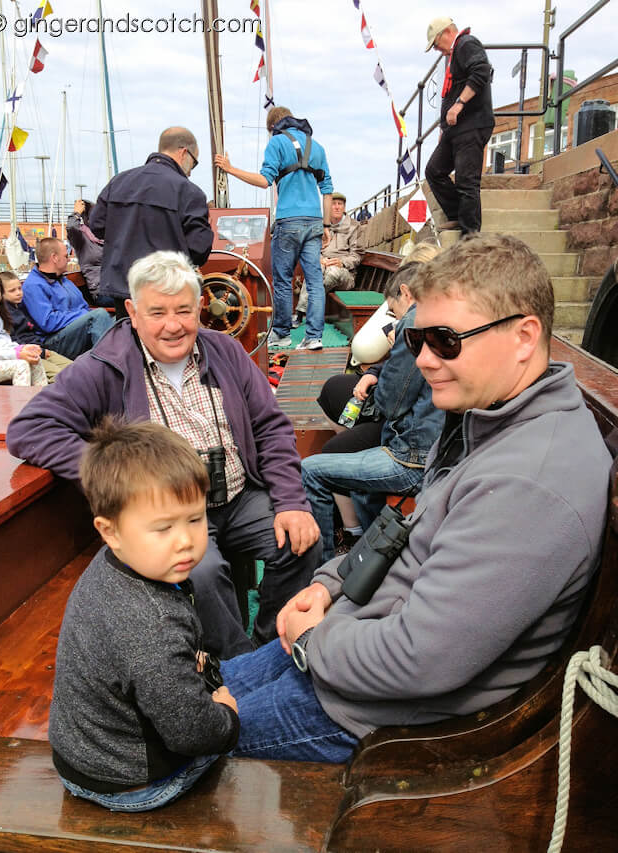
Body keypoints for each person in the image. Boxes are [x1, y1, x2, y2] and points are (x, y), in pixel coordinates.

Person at [213, 232, 612, 763]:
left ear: (524, 336)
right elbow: (404, 531)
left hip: (372, 712)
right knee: (189, 695)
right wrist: (331, 585)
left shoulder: (529, 483)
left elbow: (421, 659)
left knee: (167, 742)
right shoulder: (488, 419)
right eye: (416, 339)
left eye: (445, 340)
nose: (423, 359)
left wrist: (314, 641)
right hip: (353, 646)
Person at [6, 250, 322, 660]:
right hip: (170, 514)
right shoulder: (104, 365)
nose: (173, 326)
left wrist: (291, 503)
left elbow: (270, 426)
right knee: (201, 572)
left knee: (302, 541)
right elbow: (29, 430)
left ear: (201, 307)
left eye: (183, 311)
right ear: (133, 313)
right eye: (157, 313)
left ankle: (269, 646)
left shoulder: (224, 351)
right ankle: (236, 663)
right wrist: (116, 469)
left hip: (240, 496)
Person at [50, 418, 239, 812]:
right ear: (110, 530)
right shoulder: (150, 622)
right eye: (163, 528)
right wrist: (228, 719)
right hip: (133, 781)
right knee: (267, 712)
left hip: (88, 752)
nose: (185, 540)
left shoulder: (116, 563)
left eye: (195, 519)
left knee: (263, 671)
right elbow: (192, 733)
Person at [301, 246, 443, 561]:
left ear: (406, 293)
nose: (394, 317)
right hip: (429, 449)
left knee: (311, 469)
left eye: (393, 310)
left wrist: (395, 351)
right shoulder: (443, 316)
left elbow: (391, 404)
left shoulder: (413, 324)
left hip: (411, 459)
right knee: (361, 486)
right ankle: (370, 554)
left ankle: (324, 566)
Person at [215, 106, 333, 351]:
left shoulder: (277, 142)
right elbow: (327, 189)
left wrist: (230, 169)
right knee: (315, 282)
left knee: (282, 281)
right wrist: (327, 225)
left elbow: (264, 180)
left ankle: (281, 334)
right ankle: (314, 337)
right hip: (314, 221)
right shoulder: (317, 147)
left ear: (272, 127)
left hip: (289, 221)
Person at [90, 126, 214, 317]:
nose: (190, 172)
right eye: (194, 163)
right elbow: (199, 251)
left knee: (127, 333)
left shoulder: (118, 182)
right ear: (183, 153)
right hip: (167, 289)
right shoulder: (189, 192)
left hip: (123, 287)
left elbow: (97, 226)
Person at [424, 17, 494, 235]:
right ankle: (456, 215)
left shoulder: (466, 44)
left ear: (446, 32)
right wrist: (444, 127)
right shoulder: (454, 55)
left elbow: (482, 71)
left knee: (466, 181)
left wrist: (459, 104)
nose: (437, 50)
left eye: (436, 44)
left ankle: (470, 236)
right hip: (454, 129)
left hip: (472, 124)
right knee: (434, 171)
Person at [22, 238, 114, 360]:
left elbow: (84, 307)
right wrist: (83, 314)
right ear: (54, 258)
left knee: (118, 320)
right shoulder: (33, 286)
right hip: (52, 342)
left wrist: (85, 314)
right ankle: (109, 365)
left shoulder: (63, 280)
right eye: (66, 256)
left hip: (73, 333)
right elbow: (48, 322)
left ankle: (118, 361)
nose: (69, 259)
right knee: (99, 316)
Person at [293, 191, 361, 328]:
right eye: (333, 204)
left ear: (344, 207)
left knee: (332, 272)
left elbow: (357, 255)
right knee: (315, 270)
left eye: (340, 204)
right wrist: (319, 259)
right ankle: (300, 314)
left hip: (345, 274)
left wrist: (342, 262)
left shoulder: (354, 227)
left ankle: (308, 311)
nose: (337, 207)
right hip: (323, 265)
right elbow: (311, 249)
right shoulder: (320, 227)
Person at [0, 271, 72, 383]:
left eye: (19, 288)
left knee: (75, 369)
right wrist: (40, 352)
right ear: (1, 294)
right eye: (12, 291)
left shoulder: (19, 307)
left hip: (40, 349)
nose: (18, 293)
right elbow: (13, 341)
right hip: (29, 355)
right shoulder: (5, 314)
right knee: (61, 377)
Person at [0, 271, 47, 387]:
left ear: (1, 296)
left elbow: (3, 342)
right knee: (20, 366)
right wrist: (16, 354)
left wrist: (21, 348)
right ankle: (21, 399)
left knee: (34, 359)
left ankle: (41, 396)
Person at [66, 199, 112, 306]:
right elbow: (72, 227)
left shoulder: (108, 237)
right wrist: (76, 213)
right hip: (101, 292)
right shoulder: (81, 239)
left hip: (117, 287)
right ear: (88, 219)